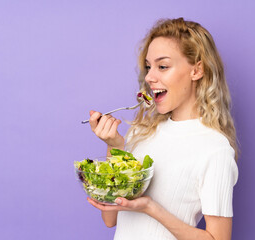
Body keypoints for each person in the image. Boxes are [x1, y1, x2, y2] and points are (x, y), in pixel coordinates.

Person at [87, 17, 239, 240]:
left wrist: (151, 208)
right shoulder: (140, 133)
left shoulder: (215, 149)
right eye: (148, 67)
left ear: (197, 70)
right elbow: (110, 220)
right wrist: (115, 147)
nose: (149, 77)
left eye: (163, 66)